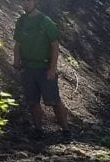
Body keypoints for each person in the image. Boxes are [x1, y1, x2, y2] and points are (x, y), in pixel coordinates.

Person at [13, 0, 70, 138]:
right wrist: (16, 61)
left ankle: (66, 130)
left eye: (27, 1)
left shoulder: (45, 21)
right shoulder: (21, 21)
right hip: (28, 67)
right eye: (22, 2)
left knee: (53, 100)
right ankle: (38, 130)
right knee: (32, 101)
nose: (25, 4)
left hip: (44, 67)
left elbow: (55, 46)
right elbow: (17, 44)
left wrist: (52, 69)